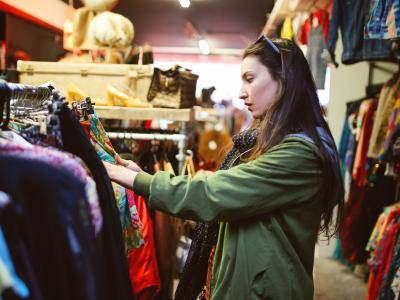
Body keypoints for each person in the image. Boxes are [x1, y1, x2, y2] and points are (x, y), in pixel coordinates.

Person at [104, 36, 344, 300]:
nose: (241, 93)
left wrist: (132, 179)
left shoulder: (298, 154)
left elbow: (212, 194)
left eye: (250, 79)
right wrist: (143, 176)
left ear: (283, 80)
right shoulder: (269, 141)